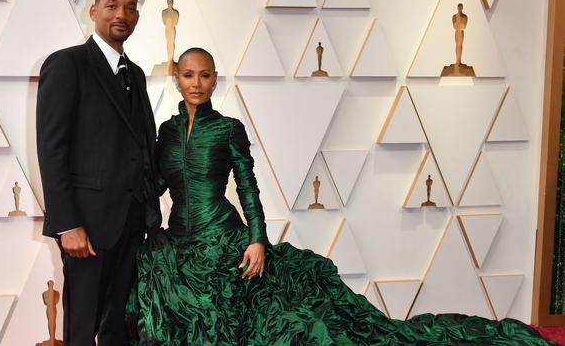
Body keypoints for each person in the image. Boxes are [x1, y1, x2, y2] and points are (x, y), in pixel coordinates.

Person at [124, 47, 553, 345]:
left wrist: (257, 238)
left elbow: (247, 187)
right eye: (188, 75)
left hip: (224, 240)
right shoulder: (167, 131)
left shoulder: (228, 128)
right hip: (179, 243)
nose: (196, 83)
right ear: (176, 77)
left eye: (204, 75)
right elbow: (162, 185)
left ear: (215, 79)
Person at [36, 0, 161, 345]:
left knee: (118, 326)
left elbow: (140, 145)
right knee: (81, 326)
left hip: (132, 223)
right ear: (94, 12)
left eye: (130, 7)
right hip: (86, 227)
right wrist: (67, 223)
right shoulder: (67, 64)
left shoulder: (135, 74)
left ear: (137, 16)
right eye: (111, 6)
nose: (121, 14)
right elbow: (52, 148)